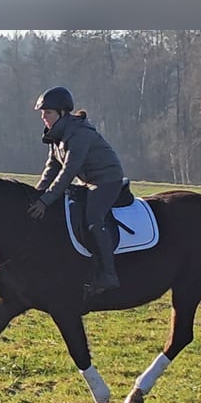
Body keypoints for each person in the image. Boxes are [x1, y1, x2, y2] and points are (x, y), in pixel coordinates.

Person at [27, 86, 124, 293]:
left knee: (93, 221)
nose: (43, 117)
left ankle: (108, 275)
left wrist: (45, 201)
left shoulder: (79, 134)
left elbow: (69, 171)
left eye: (48, 113)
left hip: (107, 180)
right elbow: (51, 169)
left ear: (62, 113)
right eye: (42, 113)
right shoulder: (56, 135)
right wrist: (36, 195)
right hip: (87, 182)